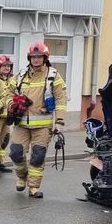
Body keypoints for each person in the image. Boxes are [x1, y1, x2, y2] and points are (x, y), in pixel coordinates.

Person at [9, 43, 67, 199]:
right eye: (33, 57)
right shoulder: (21, 75)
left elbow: (61, 99)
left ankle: (33, 187)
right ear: (29, 58)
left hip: (43, 125)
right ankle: (22, 176)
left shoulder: (53, 75)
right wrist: (12, 104)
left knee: (37, 156)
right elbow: (8, 92)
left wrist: (59, 122)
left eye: (39, 57)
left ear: (45, 58)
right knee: (16, 153)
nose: (36, 60)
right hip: (21, 123)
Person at [0, 55, 15, 172]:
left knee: (4, 139)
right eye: (4, 66)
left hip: (8, 115)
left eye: (8, 66)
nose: (7, 68)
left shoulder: (13, 79)